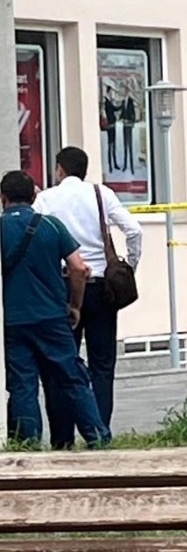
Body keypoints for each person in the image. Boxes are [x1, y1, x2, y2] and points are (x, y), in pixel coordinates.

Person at [34, 146, 142, 447]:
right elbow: (134, 230)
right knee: (102, 364)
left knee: (62, 364)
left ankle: (63, 438)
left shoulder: (47, 199)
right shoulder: (101, 194)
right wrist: (129, 265)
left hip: (62, 286)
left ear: (59, 169)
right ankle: (99, 432)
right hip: (101, 288)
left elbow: (34, 233)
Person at [0, 171, 110, 448]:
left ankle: (27, 444)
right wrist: (75, 305)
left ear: (3, 199)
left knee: (22, 384)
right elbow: (78, 268)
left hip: (14, 320)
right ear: (34, 196)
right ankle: (97, 437)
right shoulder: (51, 225)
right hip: (52, 317)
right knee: (72, 378)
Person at [103, 84, 120, 174]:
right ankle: (111, 164)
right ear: (109, 92)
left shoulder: (108, 101)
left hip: (112, 125)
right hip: (110, 125)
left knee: (112, 145)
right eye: (111, 92)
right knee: (111, 145)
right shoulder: (107, 101)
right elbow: (113, 109)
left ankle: (113, 163)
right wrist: (121, 105)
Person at [120, 91, 137, 174]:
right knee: (125, 146)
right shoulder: (123, 102)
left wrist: (132, 122)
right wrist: (121, 118)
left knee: (130, 146)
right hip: (124, 125)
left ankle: (131, 166)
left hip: (129, 125)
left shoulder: (131, 102)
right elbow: (122, 112)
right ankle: (125, 165)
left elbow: (133, 113)